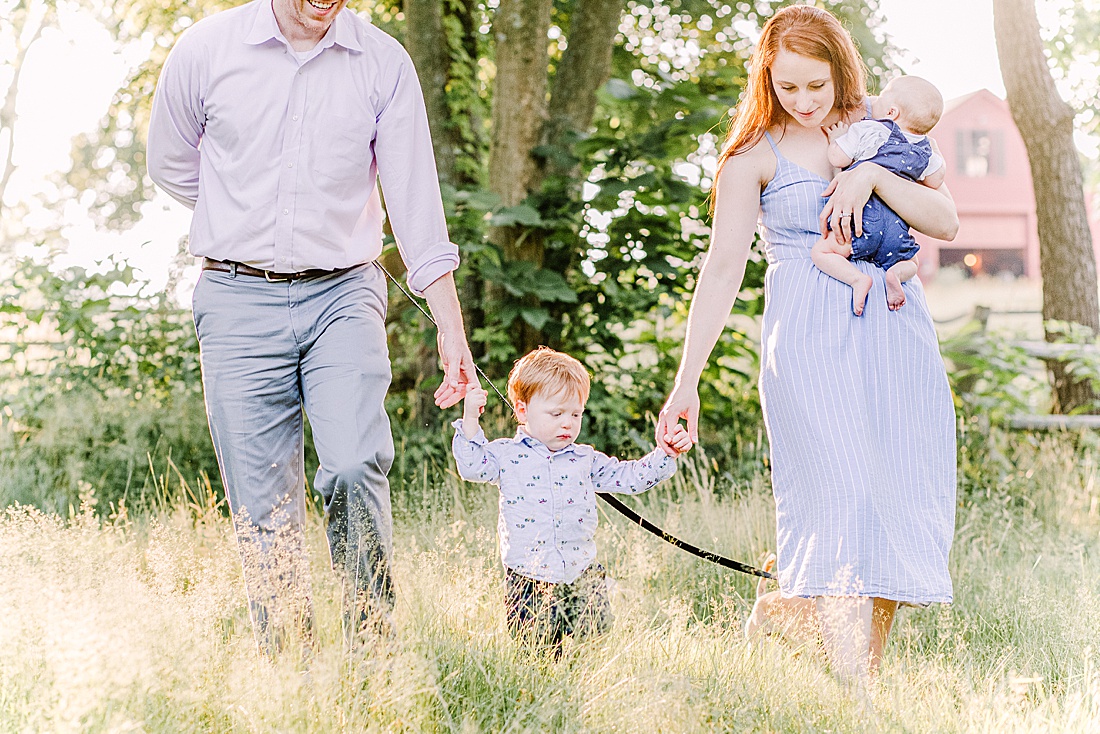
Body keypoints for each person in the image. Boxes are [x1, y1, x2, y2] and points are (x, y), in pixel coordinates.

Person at [146, 0, 476, 651]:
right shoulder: (207, 50)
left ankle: (373, 652)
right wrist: (244, 212)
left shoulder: (382, 63)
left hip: (344, 297)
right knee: (263, 509)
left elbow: (415, 204)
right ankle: (292, 676)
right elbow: (171, 165)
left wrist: (450, 327)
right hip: (237, 300)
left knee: (355, 465)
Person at [655, 5, 958, 688]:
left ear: (841, 71)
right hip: (809, 344)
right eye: (787, 87)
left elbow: (947, 220)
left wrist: (874, 178)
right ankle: (858, 705)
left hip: (895, 336)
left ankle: (805, 631)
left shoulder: (879, 133)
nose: (803, 101)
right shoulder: (752, 156)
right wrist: (687, 382)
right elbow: (723, 269)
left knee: (894, 505)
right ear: (768, 79)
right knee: (843, 499)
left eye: (816, 86)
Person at [452, 347, 692, 650]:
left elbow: (630, 478)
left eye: (575, 414)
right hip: (529, 578)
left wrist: (665, 454)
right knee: (536, 659)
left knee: (592, 652)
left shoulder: (584, 458)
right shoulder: (507, 455)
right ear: (522, 410)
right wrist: (470, 416)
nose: (568, 423)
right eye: (556, 414)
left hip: (581, 574)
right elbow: (471, 466)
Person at [811, 75, 946, 315]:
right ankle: (894, 274)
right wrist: (936, 153)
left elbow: (838, 158)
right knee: (912, 263)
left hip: (863, 224)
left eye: (881, 101)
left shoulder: (871, 129)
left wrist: (836, 139)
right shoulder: (925, 150)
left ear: (892, 111)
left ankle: (856, 280)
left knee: (821, 252)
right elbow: (935, 179)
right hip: (896, 230)